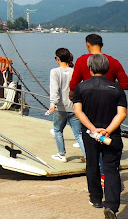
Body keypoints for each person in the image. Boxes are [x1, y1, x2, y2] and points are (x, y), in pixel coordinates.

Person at [73, 54, 126, 218]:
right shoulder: (116, 89)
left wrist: (92, 129)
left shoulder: (81, 88)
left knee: (92, 164)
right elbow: (122, 114)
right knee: (111, 169)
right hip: (112, 135)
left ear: (90, 68)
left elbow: (78, 111)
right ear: (107, 68)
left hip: (90, 135)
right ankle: (111, 205)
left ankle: (95, 198)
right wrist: (108, 130)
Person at [49, 47, 85, 162]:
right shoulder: (75, 71)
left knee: (58, 130)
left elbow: (54, 89)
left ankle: (62, 154)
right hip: (75, 107)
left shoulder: (54, 72)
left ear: (58, 59)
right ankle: (88, 156)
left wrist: (52, 103)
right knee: (78, 134)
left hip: (60, 106)